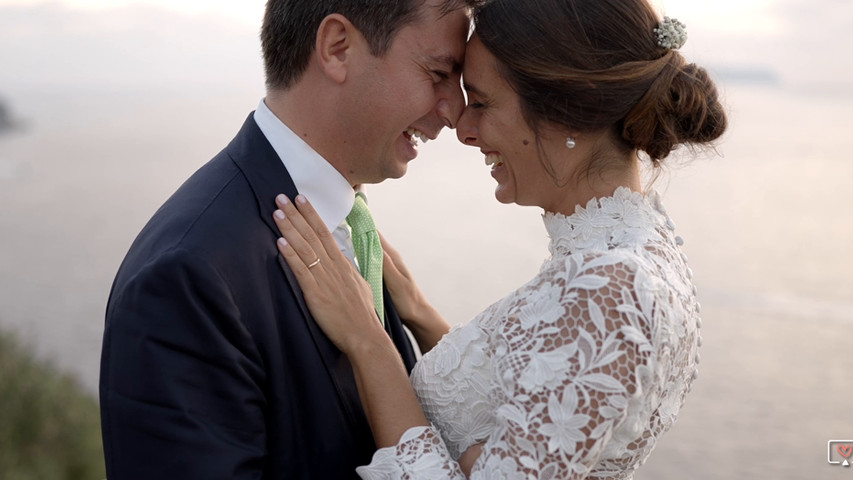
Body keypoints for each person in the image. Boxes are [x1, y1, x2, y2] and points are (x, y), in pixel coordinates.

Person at [272, 0, 728, 477]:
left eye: (484, 103)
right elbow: (528, 399)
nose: (462, 128)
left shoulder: (613, 286)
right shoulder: (642, 249)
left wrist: (368, 343)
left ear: (568, 112)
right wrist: (421, 316)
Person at [98, 0, 474, 478]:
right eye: (440, 73)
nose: (456, 111)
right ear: (337, 48)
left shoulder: (348, 226)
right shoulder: (188, 274)